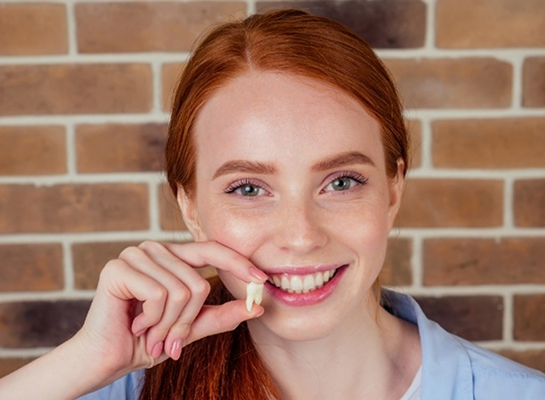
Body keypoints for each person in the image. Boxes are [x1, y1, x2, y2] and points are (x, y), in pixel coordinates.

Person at [1, 9, 545, 400]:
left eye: (341, 181)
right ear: (189, 206)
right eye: (248, 189)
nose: (301, 235)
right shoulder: (122, 388)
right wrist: (83, 364)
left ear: (393, 190)